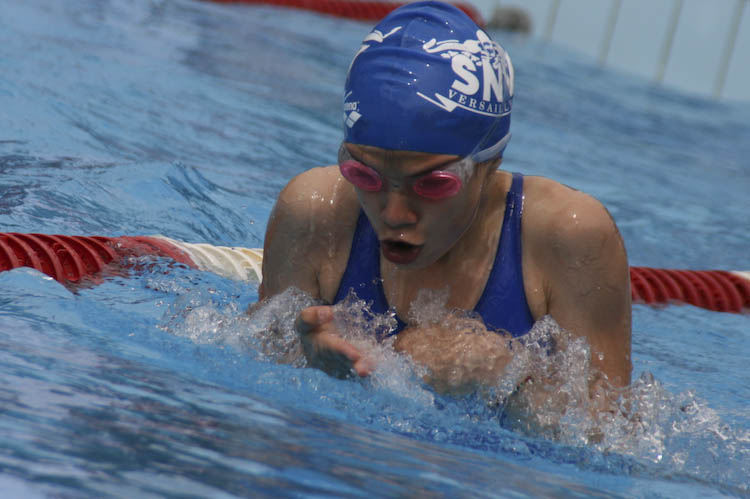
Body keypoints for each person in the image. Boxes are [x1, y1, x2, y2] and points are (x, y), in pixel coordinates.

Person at [258, 1, 631, 399]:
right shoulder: (314, 214)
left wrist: (508, 377)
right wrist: (308, 365)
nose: (394, 213)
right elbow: (256, 373)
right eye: (365, 176)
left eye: (432, 184)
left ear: (490, 164)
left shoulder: (569, 237)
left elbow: (609, 429)